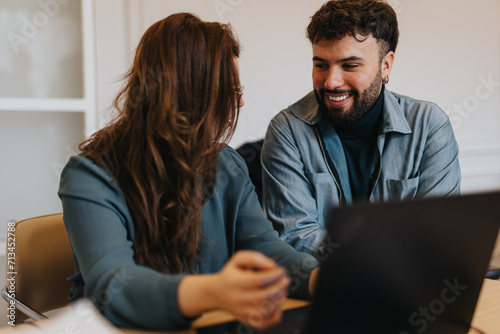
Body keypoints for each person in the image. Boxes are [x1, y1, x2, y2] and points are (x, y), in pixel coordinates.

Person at [58, 13, 319, 331]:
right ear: (187, 95)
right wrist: (215, 291)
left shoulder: (228, 165)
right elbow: (113, 287)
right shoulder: (90, 175)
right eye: (230, 93)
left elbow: (267, 250)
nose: (238, 104)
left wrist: (318, 277)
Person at [261, 0, 461, 258]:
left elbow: (437, 234)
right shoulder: (286, 130)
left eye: (350, 65)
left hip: (410, 292)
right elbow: (295, 236)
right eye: (321, 65)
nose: (331, 82)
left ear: (386, 66)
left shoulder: (430, 126)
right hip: (327, 290)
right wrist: (382, 258)